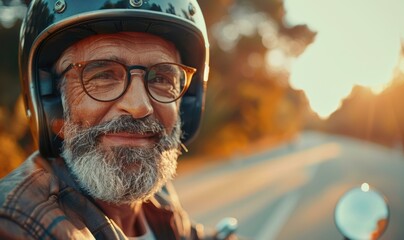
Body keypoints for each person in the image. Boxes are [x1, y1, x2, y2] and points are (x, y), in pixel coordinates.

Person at [0, 0, 233, 239]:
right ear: (52, 102)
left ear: (187, 106)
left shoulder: (156, 199)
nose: (139, 107)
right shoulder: (17, 224)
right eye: (103, 75)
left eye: (162, 78)